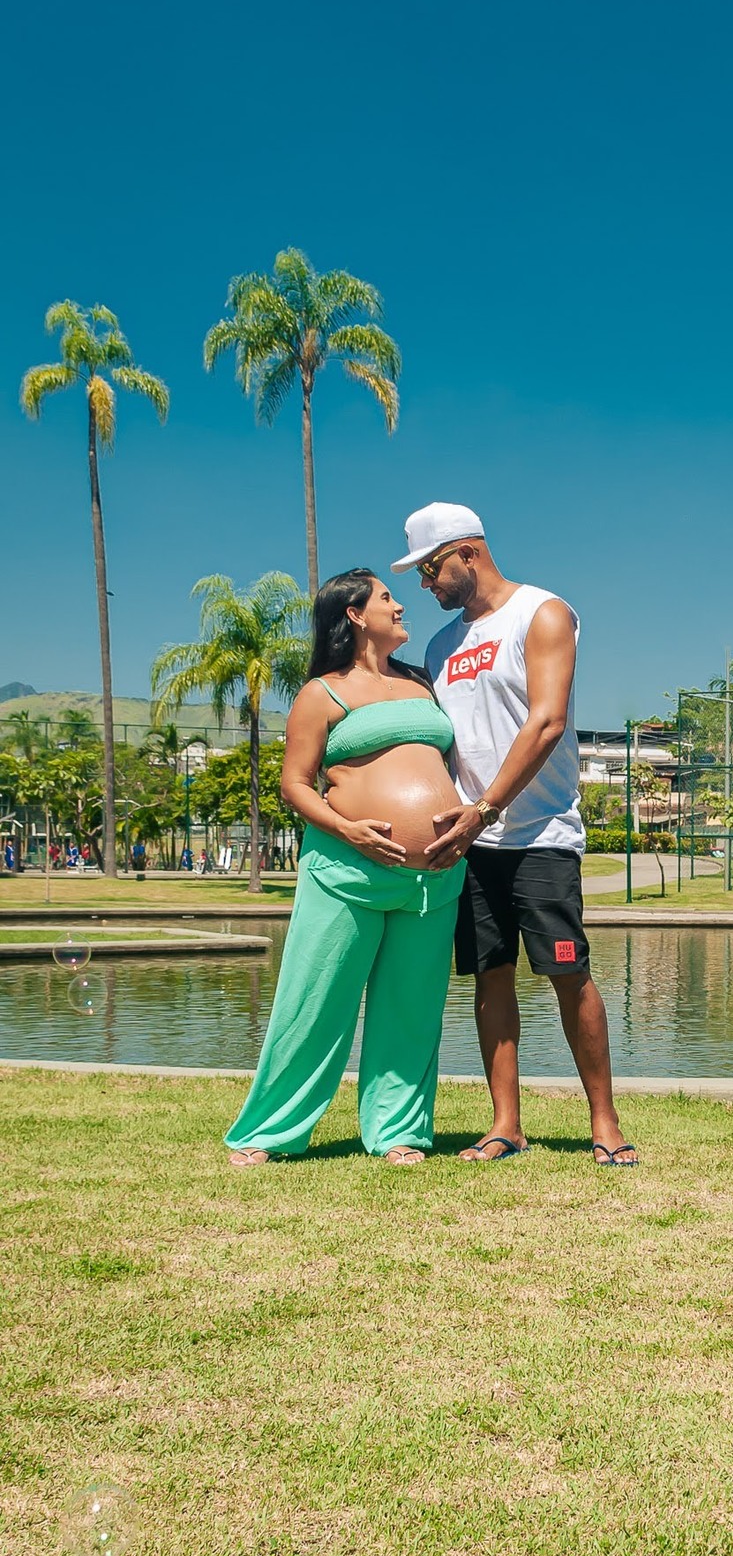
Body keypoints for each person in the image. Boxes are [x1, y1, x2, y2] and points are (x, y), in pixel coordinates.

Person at [391, 501, 637, 1166]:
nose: (425, 584)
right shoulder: (442, 647)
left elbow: (547, 722)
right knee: (489, 976)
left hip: (542, 834)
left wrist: (486, 807)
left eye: (431, 568)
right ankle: (507, 1124)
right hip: (473, 845)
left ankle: (606, 1123)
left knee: (569, 973)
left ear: (467, 552)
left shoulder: (544, 612)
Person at [225, 567, 466, 1169]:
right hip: (344, 870)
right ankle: (271, 1130)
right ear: (356, 614)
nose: (401, 606)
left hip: (430, 879)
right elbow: (295, 784)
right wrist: (347, 829)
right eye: (388, 598)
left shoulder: (424, 684)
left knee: (411, 1009)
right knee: (314, 1002)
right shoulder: (321, 693)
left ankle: (399, 1132)